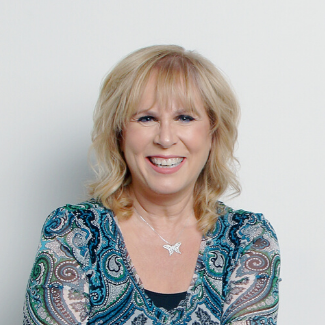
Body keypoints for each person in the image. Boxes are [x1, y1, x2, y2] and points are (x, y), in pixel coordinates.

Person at [23, 45, 280, 325]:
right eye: (146, 118)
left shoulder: (248, 238)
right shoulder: (74, 232)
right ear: (119, 134)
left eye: (185, 117)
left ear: (213, 133)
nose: (166, 138)